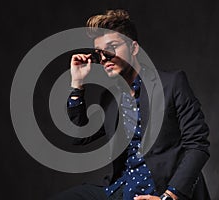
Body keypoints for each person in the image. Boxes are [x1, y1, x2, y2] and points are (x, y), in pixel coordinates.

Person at [49, 9, 210, 200]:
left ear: (134, 48)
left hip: (162, 187)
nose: (104, 58)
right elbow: (79, 135)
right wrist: (77, 84)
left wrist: (170, 196)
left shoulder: (172, 83)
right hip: (120, 188)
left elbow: (198, 145)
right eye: (99, 53)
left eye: (112, 47)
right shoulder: (109, 98)